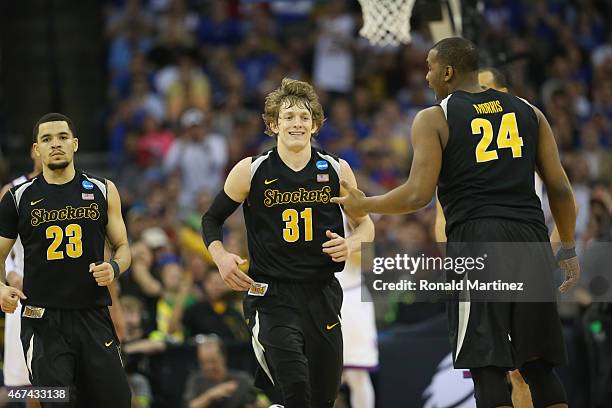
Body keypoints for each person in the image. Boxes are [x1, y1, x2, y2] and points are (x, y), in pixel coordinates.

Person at [333, 38, 578, 408]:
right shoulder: (530, 111)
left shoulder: (435, 117)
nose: (427, 76)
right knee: (540, 367)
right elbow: (560, 188)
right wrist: (569, 247)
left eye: (430, 67)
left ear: (447, 71)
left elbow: (417, 194)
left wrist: (365, 202)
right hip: (531, 240)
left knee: (488, 367)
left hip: (478, 241)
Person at [201, 78, 375, 408]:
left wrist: (351, 245)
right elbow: (211, 219)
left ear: (315, 125)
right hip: (271, 293)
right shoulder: (250, 171)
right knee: (294, 385)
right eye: (289, 117)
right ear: (273, 124)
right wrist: (221, 256)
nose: (297, 123)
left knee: (323, 397)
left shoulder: (337, 169)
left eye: (304, 117)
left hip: (322, 291)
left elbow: (366, 226)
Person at [0, 113, 132, 407]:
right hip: (43, 321)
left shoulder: (103, 189)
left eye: (62, 137)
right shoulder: (17, 197)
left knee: (117, 400)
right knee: (53, 400)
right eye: (46, 139)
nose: (55, 144)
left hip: (93, 315)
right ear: (36, 150)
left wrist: (113, 267)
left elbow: (123, 247)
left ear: (75, 144)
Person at [0, 147, 42, 394]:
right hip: (23, 289)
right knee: (28, 385)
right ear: (35, 150)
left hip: (60, 291)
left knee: (62, 382)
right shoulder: (11, 191)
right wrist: (10, 272)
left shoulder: (75, 189)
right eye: (46, 140)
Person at [183, 337, 259, 408]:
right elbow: (190, 406)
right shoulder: (196, 380)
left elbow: (262, 401)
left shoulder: (242, 379)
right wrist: (211, 395)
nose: (209, 367)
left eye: (213, 361)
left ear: (223, 358)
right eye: (204, 363)